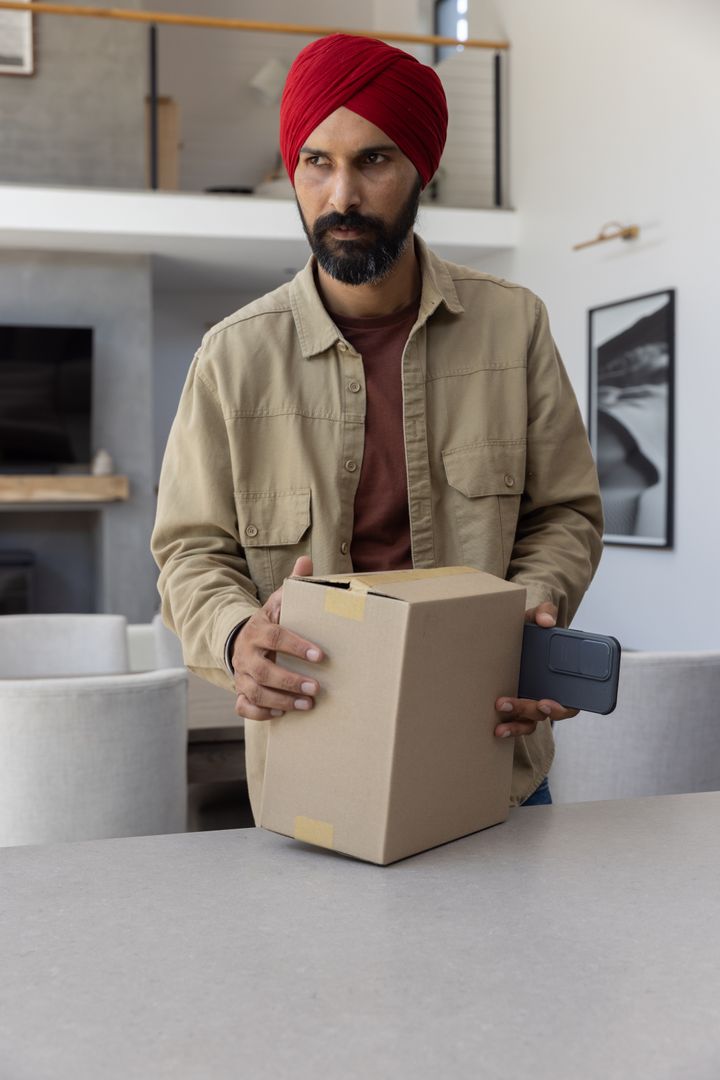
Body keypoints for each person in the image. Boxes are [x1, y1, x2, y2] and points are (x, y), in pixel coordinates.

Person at [152, 33, 603, 818]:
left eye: (374, 160)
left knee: (516, 947)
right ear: (293, 174)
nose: (342, 197)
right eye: (317, 162)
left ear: (420, 170)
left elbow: (564, 513)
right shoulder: (231, 358)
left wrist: (529, 623)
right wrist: (234, 639)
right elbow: (190, 549)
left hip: (492, 750)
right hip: (311, 753)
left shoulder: (515, 327)